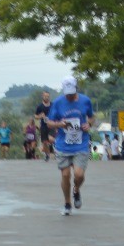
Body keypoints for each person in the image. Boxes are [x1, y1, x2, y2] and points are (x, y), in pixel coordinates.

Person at [46, 76, 94, 214]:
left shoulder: (85, 101)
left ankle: (76, 189)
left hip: (81, 143)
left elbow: (91, 117)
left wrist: (88, 124)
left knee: (79, 175)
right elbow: (49, 122)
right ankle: (67, 203)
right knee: (66, 175)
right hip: (63, 144)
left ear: (76, 88)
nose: (69, 96)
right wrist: (59, 124)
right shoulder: (58, 103)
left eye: (72, 93)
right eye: (67, 94)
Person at [35, 91, 54, 162]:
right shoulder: (40, 106)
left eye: (48, 96)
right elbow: (35, 116)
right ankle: (47, 154)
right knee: (44, 142)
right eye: (45, 96)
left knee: (51, 139)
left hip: (52, 125)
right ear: (42, 97)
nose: (46, 98)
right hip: (43, 126)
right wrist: (40, 116)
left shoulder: (53, 105)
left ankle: (56, 149)